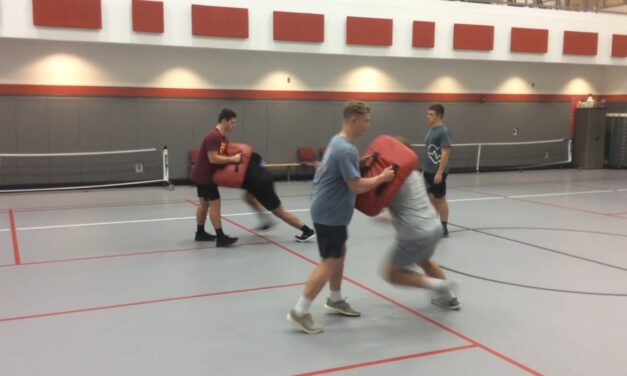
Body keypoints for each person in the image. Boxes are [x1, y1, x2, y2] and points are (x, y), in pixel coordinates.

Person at [287, 101, 396, 334]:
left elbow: (343, 170)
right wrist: (382, 178)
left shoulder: (341, 143)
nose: (368, 125)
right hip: (330, 214)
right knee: (329, 261)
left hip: (330, 211)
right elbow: (356, 185)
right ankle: (300, 311)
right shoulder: (345, 148)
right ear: (353, 120)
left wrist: (359, 164)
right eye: (366, 120)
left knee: (339, 255)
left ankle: (335, 299)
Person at [377, 137, 460, 310]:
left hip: (414, 232)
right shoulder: (414, 174)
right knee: (424, 260)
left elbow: (376, 204)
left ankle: (439, 286)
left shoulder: (393, 180)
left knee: (392, 273)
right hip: (433, 227)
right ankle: (449, 298)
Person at [191, 108, 240, 247]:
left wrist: (230, 159)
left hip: (204, 175)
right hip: (205, 176)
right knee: (215, 204)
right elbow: (213, 159)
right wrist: (233, 159)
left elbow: (222, 157)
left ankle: (200, 233)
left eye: (235, 123)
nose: (234, 125)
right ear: (224, 121)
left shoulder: (223, 138)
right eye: (232, 122)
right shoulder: (213, 136)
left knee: (204, 204)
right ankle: (221, 237)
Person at [241, 152, 316, 242]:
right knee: (248, 198)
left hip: (260, 183)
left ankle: (307, 231)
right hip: (259, 179)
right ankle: (266, 220)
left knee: (280, 212)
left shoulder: (236, 154)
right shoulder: (245, 153)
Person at [422, 104, 453, 237]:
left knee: (440, 198)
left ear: (439, 116)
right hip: (428, 170)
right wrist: (424, 170)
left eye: (431, 114)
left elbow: (445, 153)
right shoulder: (430, 130)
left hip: (437, 171)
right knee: (430, 198)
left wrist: (440, 172)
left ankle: (443, 226)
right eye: (428, 114)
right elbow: (429, 152)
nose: (427, 117)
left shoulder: (443, 131)